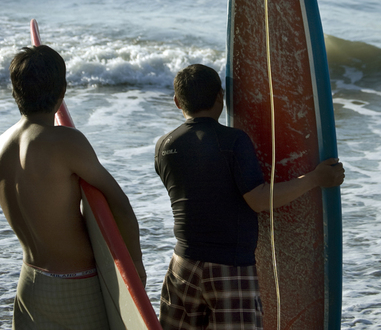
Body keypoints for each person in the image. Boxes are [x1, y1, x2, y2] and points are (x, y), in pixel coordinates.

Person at [155, 63, 345, 330]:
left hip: (182, 266)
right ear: (220, 97)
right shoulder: (233, 141)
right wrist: (314, 178)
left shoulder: (164, 146)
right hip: (229, 270)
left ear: (177, 101)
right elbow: (258, 199)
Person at [0, 45, 146, 330]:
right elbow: (120, 205)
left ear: (14, 90)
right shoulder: (66, 142)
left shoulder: (2, 145)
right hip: (78, 286)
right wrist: (136, 268)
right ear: (62, 92)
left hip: (30, 284)